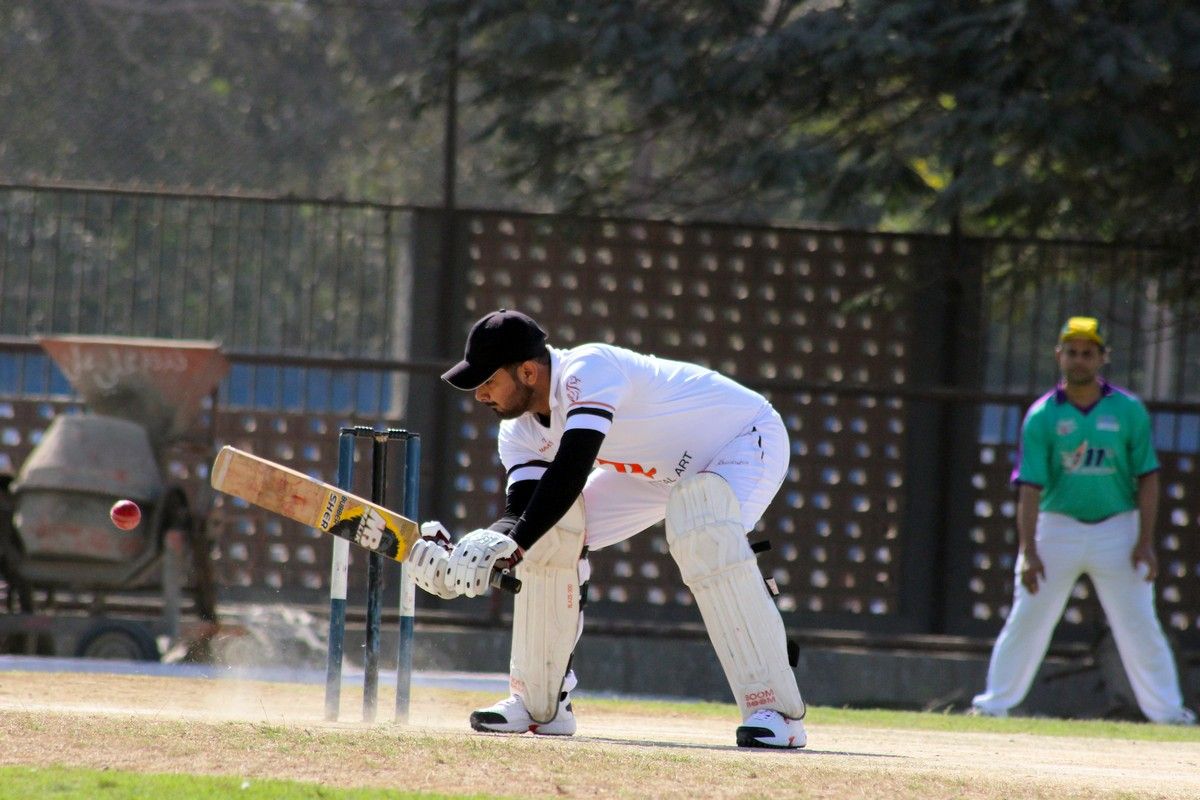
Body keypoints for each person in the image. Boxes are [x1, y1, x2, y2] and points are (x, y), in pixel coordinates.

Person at [407, 308, 807, 748]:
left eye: (488, 381)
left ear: (528, 372)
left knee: (705, 534)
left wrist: (513, 544)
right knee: (553, 537)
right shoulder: (518, 432)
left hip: (742, 439)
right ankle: (541, 704)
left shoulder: (588, 370)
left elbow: (570, 469)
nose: (480, 394)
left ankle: (777, 711)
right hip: (655, 471)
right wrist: (470, 555)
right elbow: (524, 512)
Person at [971, 316, 1195, 724]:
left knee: (1139, 622)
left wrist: (1144, 541)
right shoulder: (1043, 415)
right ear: (1059, 356)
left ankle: (1168, 713)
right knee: (1029, 617)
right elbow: (1030, 487)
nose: (1079, 360)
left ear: (1102, 358)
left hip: (1117, 528)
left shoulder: (1127, 410)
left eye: (1087, 353)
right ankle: (993, 705)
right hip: (1058, 526)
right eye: (1071, 352)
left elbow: (1148, 477)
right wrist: (1029, 550)